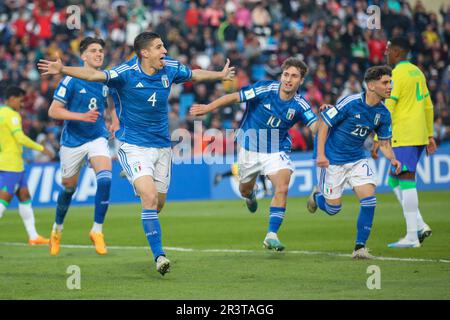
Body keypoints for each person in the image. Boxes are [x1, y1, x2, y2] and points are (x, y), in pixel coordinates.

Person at [38, 31, 235, 275]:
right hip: (132, 146)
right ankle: (159, 256)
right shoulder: (125, 73)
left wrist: (220, 75)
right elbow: (94, 75)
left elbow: (195, 74)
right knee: (148, 198)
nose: (165, 51)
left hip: (162, 146)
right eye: (159, 47)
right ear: (144, 53)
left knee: (158, 203)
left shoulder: (170, 68)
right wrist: (64, 69)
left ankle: (133, 179)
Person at [190, 57, 318, 251]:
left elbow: (315, 126)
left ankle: (271, 235)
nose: (288, 79)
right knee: (244, 190)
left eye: (294, 76)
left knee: (282, 187)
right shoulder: (265, 89)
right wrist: (207, 108)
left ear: (301, 81)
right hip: (249, 148)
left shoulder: (301, 104)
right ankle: (250, 196)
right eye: (286, 74)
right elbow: (234, 97)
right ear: (281, 75)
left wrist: (326, 121)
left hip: (276, 150)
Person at [307, 66, 401, 259]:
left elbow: (384, 143)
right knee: (333, 209)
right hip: (332, 159)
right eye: (385, 82)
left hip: (357, 158)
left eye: (390, 82)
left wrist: (392, 158)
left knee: (370, 200)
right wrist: (321, 155)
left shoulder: (383, 114)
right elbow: (324, 124)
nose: (390, 86)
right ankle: (317, 195)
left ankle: (360, 247)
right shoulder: (351, 102)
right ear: (371, 85)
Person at [47, 37, 117, 257]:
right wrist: (80, 116)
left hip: (97, 137)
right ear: (83, 56)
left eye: (101, 51)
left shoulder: (106, 79)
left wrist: (114, 119)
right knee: (69, 187)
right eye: (94, 51)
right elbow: (54, 110)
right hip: (73, 141)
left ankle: (97, 230)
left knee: (105, 178)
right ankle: (57, 229)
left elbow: (112, 101)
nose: (99, 54)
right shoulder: (71, 79)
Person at [371, 37, 436, 248]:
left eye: (388, 50)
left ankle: (412, 236)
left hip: (404, 134)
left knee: (406, 179)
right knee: (394, 180)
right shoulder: (418, 72)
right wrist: (429, 135)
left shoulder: (396, 74)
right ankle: (419, 224)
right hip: (417, 134)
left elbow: (389, 106)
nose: (386, 54)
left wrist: (376, 138)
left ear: (397, 52)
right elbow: (428, 106)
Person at [0, 86, 53, 245]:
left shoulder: (1, 113)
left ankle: (33, 236)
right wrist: (42, 148)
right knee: (3, 202)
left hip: (13, 163)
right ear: (11, 98)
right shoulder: (12, 115)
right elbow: (20, 138)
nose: (21, 104)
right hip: (12, 165)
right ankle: (33, 236)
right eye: (19, 100)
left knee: (25, 197)